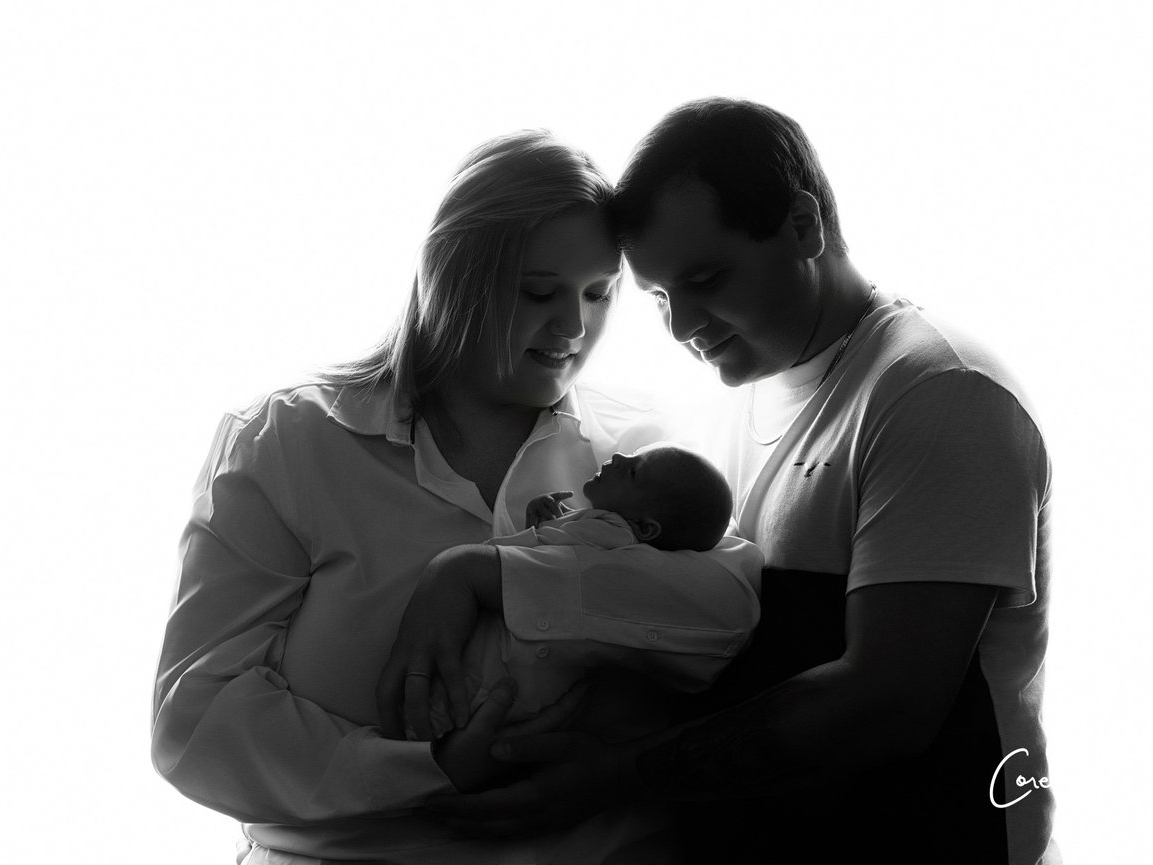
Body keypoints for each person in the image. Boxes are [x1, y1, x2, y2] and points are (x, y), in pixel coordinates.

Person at [394, 99, 1059, 864]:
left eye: (706, 278)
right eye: (657, 296)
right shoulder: (729, 404)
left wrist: (604, 778)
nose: (680, 326)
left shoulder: (937, 392)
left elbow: (886, 704)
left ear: (804, 225)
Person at [150, 129, 762, 865]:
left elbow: (726, 609)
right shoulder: (286, 441)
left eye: (599, 294)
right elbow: (196, 720)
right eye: (538, 292)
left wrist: (484, 574)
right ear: (452, 278)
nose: (572, 328)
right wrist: (433, 768)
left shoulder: (639, 449)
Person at [390, 443, 745, 742]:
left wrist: (551, 525)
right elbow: (560, 548)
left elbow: (554, 548)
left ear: (644, 527)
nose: (619, 457)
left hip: (501, 668)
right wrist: (549, 519)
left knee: (449, 702)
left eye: (634, 471)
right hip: (521, 685)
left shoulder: (613, 532)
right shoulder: (609, 536)